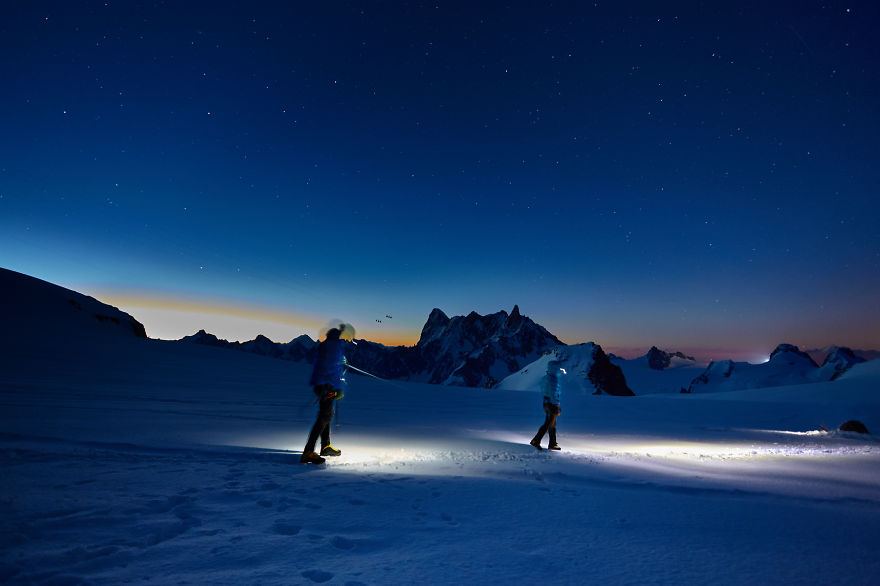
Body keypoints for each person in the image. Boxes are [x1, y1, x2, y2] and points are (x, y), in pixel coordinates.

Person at [300, 325, 349, 464]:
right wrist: (337, 388)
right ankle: (308, 452)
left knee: (327, 413)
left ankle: (325, 446)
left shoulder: (328, 345)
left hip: (322, 386)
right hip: (326, 387)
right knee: (325, 416)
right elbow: (332, 370)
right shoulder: (333, 347)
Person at [530, 360, 565, 451]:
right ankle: (536, 440)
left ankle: (552, 443)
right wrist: (557, 405)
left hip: (546, 403)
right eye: (559, 369)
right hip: (552, 404)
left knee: (551, 423)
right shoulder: (553, 379)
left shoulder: (545, 378)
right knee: (549, 423)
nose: (560, 370)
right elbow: (554, 393)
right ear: (555, 368)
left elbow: (545, 391)